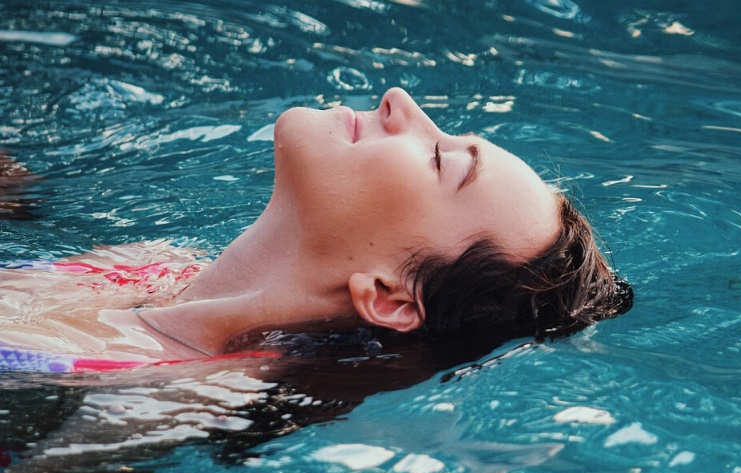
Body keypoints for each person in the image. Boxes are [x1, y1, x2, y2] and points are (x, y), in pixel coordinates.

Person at [0, 88, 631, 372]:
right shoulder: (151, 263)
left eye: (441, 160)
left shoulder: (164, 391)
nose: (399, 101)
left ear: (386, 296)